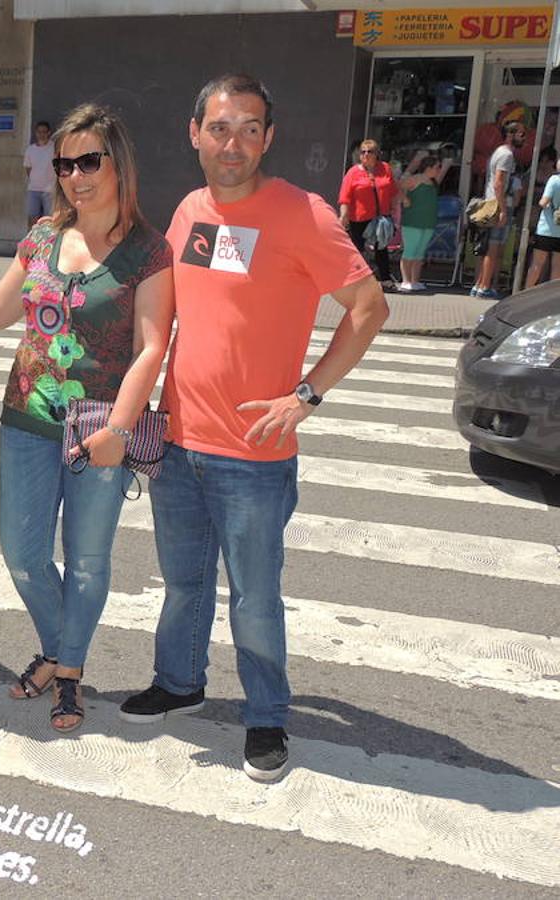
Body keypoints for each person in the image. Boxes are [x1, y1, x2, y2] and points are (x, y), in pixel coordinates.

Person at [117, 74, 387, 783]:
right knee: (182, 583)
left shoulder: (303, 213)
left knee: (255, 595)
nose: (232, 142)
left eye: (248, 128)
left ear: (269, 137)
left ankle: (266, 716)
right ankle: (179, 682)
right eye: (219, 127)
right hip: (178, 443)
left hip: (256, 455)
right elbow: (169, 319)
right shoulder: (188, 211)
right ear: (194, 133)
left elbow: (368, 308)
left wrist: (306, 395)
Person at [0, 103, 174, 733]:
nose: (75, 175)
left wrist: (119, 429)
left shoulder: (148, 251)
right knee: (23, 554)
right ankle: (59, 651)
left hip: (100, 428)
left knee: (86, 561)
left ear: (118, 164)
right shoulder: (42, 237)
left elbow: (152, 346)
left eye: (89, 161)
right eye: (65, 163)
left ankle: (69, 672)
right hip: (27, 417)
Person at [472, 121, 526, 298]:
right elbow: (498, 182)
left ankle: (480, 284)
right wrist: (503, 209)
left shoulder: (499, 152)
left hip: (492, 203)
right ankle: (484, 286)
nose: (523, 138)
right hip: (499, 204)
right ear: (510, 134)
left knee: (488, 246)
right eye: (521, 134)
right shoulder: (506, 155)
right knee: (494, 247)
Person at [338, 138, 397, 288]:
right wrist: (343, 216)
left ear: (377, 154)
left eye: (369, 152)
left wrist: (395, 212)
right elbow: (345, 196)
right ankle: (355, 280)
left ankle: (385, 280)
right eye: (362, 152)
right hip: (359, 218)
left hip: (380, 217)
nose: (365, 154)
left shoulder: (385, 168)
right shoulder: (352, 172)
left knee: (381, 248)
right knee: (357, 249)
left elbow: (392, 191)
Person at [396, 152, 448, 292]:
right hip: (413, 221)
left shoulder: (433, 182)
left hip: (427, 222)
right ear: (428, 168)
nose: (439, 170)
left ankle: (415, 280)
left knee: (419, 253)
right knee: (410, 251)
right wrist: (404, 199)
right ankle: (405, 280)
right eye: (437, 167)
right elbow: (397, 186)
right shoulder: (416, 179)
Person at [526, 149, 560, 287]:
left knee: (537, 264)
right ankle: (550, 301)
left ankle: (525, 294)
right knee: (557, 266)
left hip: (546, 229)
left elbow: (543, 202)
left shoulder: (554, 180)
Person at [23, 120, 56, 228]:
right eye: (39, 132)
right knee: (32, 220)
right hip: (33, 189)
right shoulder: (30, 150)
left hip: (50, 191)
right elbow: (28, 168)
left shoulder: (54, 149)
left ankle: (48, 244)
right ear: (36, 133)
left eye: (44, 132)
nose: (41, 134)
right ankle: (32, 243)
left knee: (49, 221)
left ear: (49, 133)